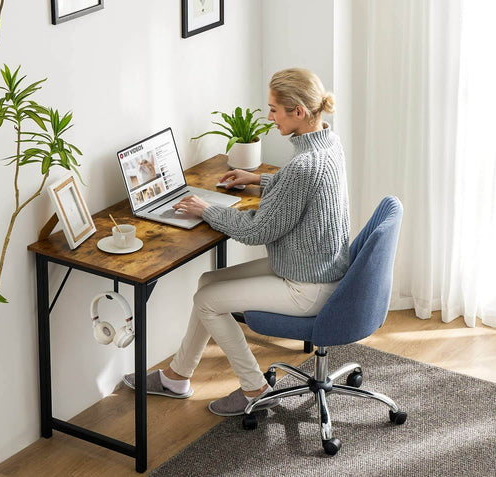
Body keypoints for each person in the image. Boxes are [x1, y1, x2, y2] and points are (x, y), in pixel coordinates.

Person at [123, 68, 350, 416]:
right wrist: (259, 179)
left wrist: (206, 209)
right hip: (317, 268)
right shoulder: (328, 143)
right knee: (207, 283)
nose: (270, 116)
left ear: (298, 112)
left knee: (207, 299)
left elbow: (257, 229)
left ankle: (253, 389)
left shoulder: (304, 165)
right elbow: (299, 191)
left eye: (275, 109)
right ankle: (176, 377)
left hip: (308, 286)